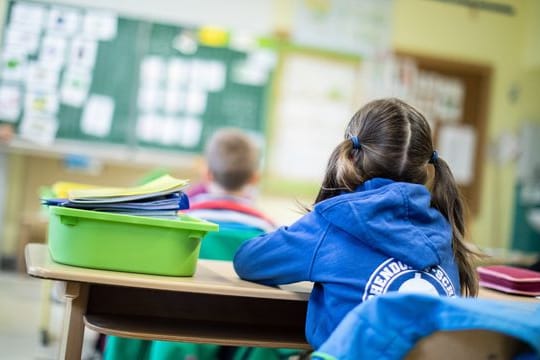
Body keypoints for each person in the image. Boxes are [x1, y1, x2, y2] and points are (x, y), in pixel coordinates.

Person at [233, 98, 480, 350]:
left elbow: (248, 261)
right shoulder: (444, 231)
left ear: (352, 155)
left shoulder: (332, 223)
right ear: (426, 167)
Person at [104, 128, 286, 360]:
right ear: (255, 178)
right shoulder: (266, 231)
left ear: (207, 173)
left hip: (173, 333)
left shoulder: (178, 220)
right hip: (236, 336)